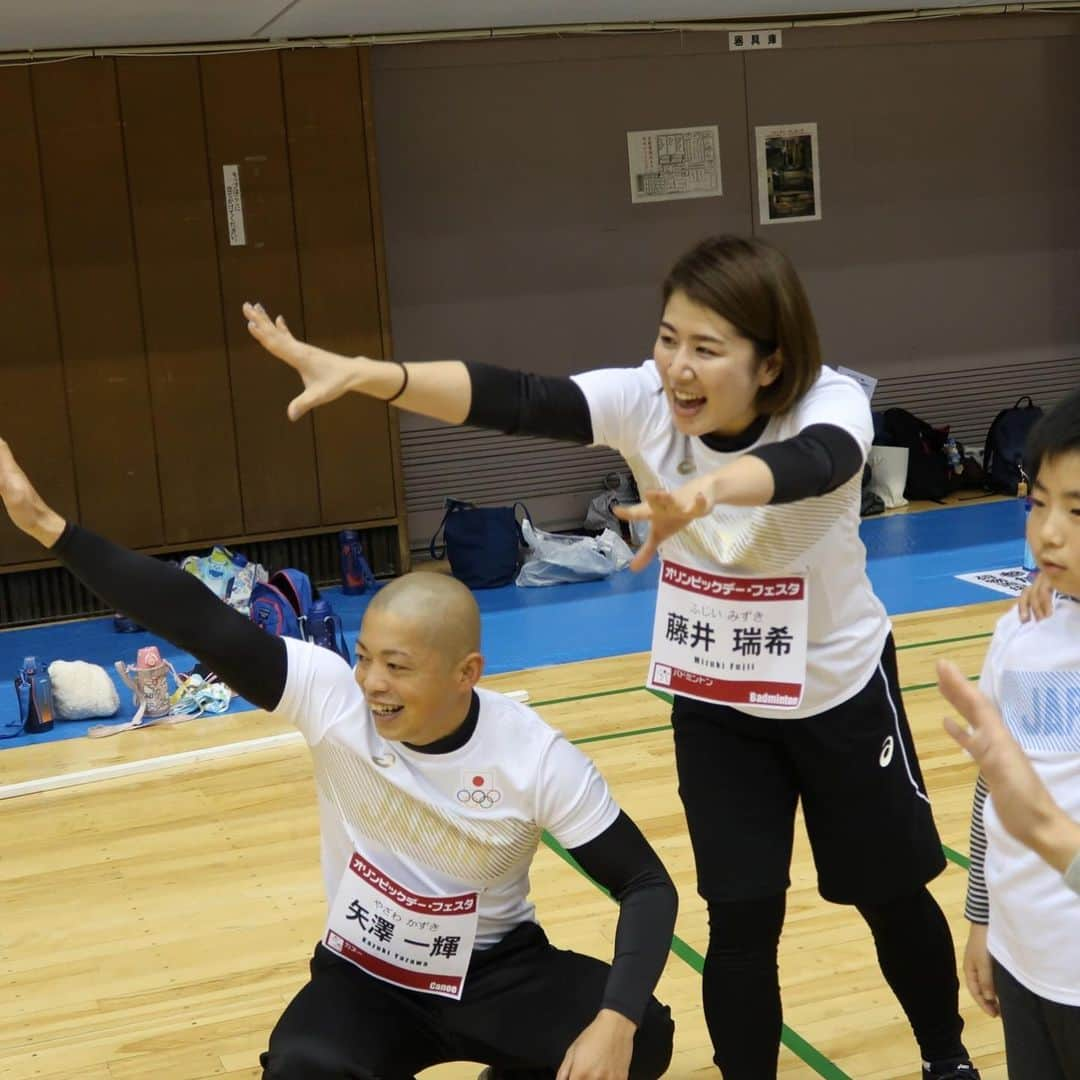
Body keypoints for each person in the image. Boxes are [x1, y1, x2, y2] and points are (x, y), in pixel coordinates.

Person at [244, 234, 978, 1079]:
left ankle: (945, 1058)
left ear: (771, 364)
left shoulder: (828, 401)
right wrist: (375, 375)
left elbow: (819, 463)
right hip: (722, 707)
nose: (678, 367)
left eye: (707, 348)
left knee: (889, 898)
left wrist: (708, 488)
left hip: (840, 695)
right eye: (670, 338)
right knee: (741, 919)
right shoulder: (645, 399)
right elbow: (517, 398)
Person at [0, 438, 676, 1080]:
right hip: (367, 973)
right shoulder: (330, 696)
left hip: (495, 971)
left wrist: (614, 1020)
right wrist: (47, 525)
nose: (371, 682)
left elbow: (645, 885)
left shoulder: (534, 756)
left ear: (466, 672)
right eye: (364, 657)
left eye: (397, 666)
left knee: (642, 1034)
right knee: (303, 1066)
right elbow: (196, 616)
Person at [955, 388, 1080, 1080]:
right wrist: (984, 921)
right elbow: (993, 793)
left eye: (1077, 510)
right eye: (1038, 503)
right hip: (1027, 959)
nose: (1049, 532)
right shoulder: (1020, 633)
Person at [938, 660, 1080, 894]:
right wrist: (980, 917)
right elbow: (992, 785)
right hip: (1019, 915)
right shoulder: (1018, 641)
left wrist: (1042, 826)